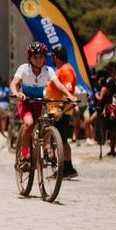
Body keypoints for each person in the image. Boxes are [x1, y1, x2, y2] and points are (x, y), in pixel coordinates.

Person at [10, 42, 77, 171]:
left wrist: (69, 95)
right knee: (29, 124)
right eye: (35, 57)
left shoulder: (48, 70)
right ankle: (24, 156)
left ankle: (45, 149)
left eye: (41, 56)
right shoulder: (24, 68)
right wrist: (17, 93)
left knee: (45, 125)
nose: (38, 60)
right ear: (30, 58)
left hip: (39, 103)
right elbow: (14, 83)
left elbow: (59, 84)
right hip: (26, 103)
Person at [46, 47, 79, 177]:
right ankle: (67, 169)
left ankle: (66, 169)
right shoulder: (61, 69)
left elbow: (68, 91)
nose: (51, 59)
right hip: (56, 110)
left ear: (56, 57)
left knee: (61, 140)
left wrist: (60, 109)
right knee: (62, 140)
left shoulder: (66, 70)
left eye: (52, 57)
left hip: (61, 111)